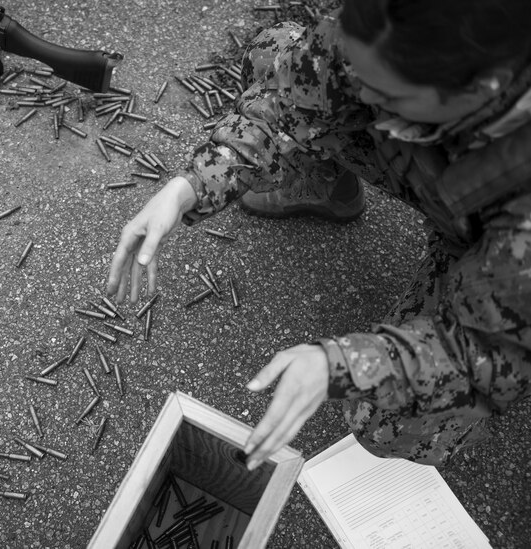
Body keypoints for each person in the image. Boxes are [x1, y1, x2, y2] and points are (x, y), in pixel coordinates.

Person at [106, 0, 531, 470]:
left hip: (503, 254)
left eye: (391, 96)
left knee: (392, 420)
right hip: (457, 169)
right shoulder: (392, 28)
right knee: (277, 52)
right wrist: (189, 187)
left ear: (484, 87)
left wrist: (341, 366)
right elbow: (289, 95)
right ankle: (326, 185)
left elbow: (479, 356)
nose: (361, 98)